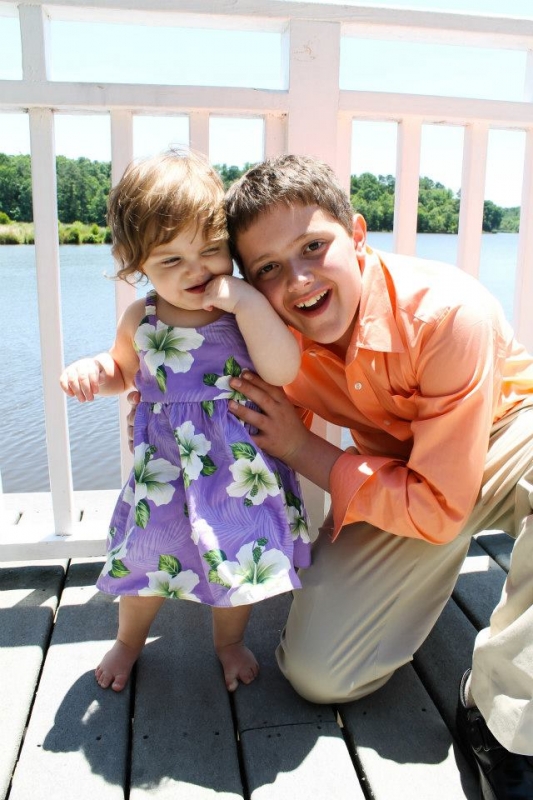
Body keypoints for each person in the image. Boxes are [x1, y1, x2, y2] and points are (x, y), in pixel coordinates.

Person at [215, 154, 532, 799]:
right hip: (404, 476)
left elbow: (437, 507)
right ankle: (424, 582)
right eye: (268, 268)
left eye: (313, 246)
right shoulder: (270, 341)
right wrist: (157, 408)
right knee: (317, 675)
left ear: (357, 234)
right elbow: (236, 440)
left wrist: (306, 449)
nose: (299, 280)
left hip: (507, 440)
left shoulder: (447, 312)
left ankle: (503, 714)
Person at [59, 149, 310, 695]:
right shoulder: (142, 317)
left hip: (237, 469)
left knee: (235, 557)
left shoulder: (244, 311)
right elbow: (123, 371)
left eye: (211, 250)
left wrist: (247, 302)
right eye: (170, 260)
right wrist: (95, 372)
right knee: (147, 554)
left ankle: (228, 642)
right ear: (138, 265)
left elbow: (282, 369)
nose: (196, 271)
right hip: (166, 470)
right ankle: (129, 641)